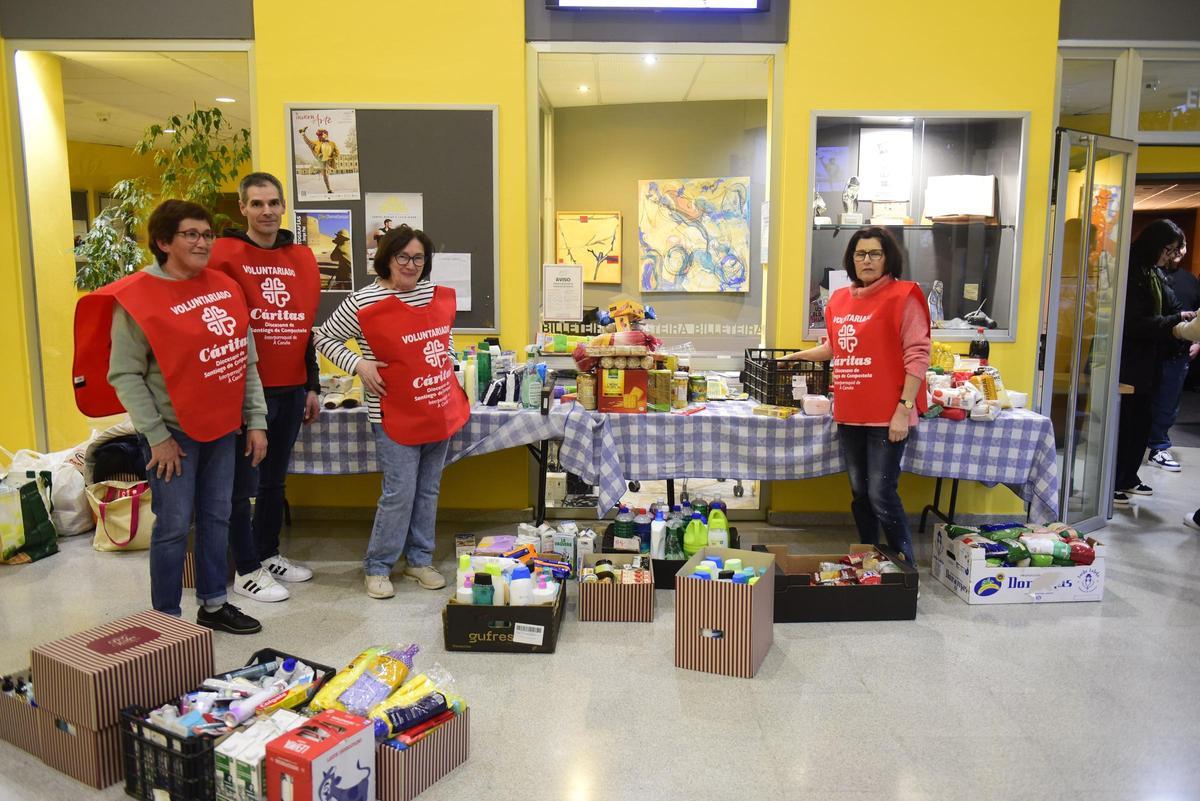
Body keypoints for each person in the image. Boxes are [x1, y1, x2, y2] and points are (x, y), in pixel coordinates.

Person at [104, 199, 268, 634]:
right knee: (174, 526)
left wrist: (256, 419)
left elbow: (243, 358)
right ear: (163, 242)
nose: (202, 242)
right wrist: (157, 437)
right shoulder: (137, 298)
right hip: (173, 434)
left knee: (218, 516)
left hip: (223, 428)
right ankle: (167, 621)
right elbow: (124, 373)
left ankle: (214, 603)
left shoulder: (225, 286)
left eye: (207, 234)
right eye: (191, 234)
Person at [314, 225, 470, 598]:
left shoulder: (434, 294)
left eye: (419, 258)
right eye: (403, 257)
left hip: (437, 406)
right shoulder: (363, 301)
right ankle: (378, 566)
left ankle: (419, 560)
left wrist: (446, 358)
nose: (411, 264)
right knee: (399, 491)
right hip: (391, 413)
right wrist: (358, 364)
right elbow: (323, 336)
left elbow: (443, 334)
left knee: (428, 490)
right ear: (387, 257)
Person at [785, 226, 929, 565]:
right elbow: (835, 347)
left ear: (887, 258)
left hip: (887, 416)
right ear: (852, 259)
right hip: (850, 413)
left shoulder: (904, 296)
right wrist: (799, 356)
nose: (867, 260)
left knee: (881, 493)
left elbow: (918, 356)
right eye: (860, 254)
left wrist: (903, 410)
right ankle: (869, 556)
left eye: (875, 254)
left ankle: (904, 563)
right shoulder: (839, 300)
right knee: (860, 494)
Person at [209, 173, 322, 603]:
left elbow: (303, 327)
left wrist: (311, 384)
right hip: (245, 392)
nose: (267, 211)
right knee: (243, 486)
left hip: (291, 390)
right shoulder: (225, 255)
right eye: (257, 204)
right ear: (243, 208)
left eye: (274, 203)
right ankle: (246, 568)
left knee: (275, 481)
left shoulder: (301, 258)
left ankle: (268, 552)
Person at [1113, 219, 1194, 507]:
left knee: (1143, 421)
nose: (1171, 257)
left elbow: (1171, 306)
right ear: (1154, 244)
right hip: (1129, 361)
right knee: (1126, 422)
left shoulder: (1154, 273)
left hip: (1149, 361)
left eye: (1175, 251)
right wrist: (1175, 321)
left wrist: (1184, 316)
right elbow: (1133, 323)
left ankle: (1127, 476)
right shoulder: (1131, 270)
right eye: (1168, 249)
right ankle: (1113, 481)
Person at [1147, 243, 1200, 472]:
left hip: (1178, 352)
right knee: (1139, 402)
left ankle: (1158, 446)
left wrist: (1197, 341)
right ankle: (1131, 447)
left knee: (1168, 403)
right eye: (1173, 246)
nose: (1179, 251)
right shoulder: (1148, 275)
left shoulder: (1190, 280)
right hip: (1148, 350)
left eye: (1184, 246)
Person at [299, 126, 339, 194]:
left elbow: (337, 153)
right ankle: (303, 133)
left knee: (326, 174)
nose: (318, 137)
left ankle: (328, 188)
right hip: (320, 159)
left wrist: (332, 156)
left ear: (325, 135)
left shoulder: (332, 143)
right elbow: (308, 142)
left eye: (320, 135)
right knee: (325, 175)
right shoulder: (317, 143)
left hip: (328, 160)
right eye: (318, 135)